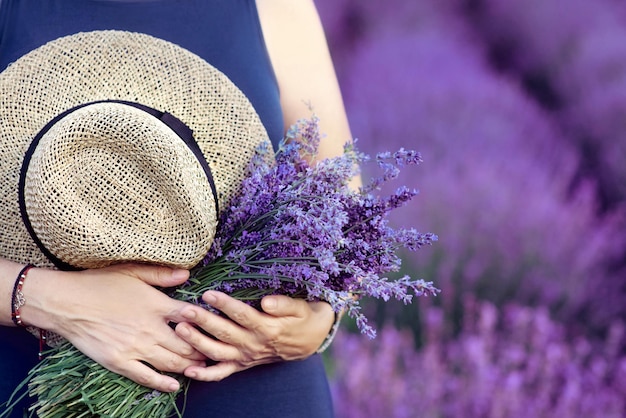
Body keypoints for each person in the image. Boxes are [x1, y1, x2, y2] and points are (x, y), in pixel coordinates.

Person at [0, 0, 354, 416]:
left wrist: (320, 320)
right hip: (44, 385)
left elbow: (341, 192)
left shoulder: (274, 6)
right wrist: (56, 301)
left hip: (257, 385)